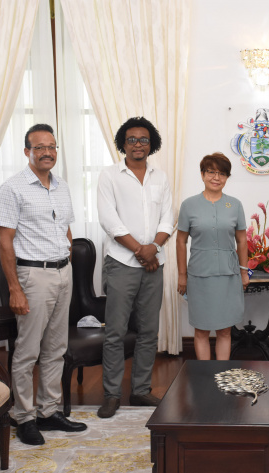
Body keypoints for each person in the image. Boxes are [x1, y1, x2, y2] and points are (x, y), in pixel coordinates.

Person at [0, 123, 87, 445]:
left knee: (56, 349)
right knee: (27, 351)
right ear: (27, 152)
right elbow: (5, 242)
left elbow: (65, 230)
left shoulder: (62, 187)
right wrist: (15, 289)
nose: (47, 152)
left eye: (52, 146)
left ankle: (49, 411)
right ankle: (24, 416)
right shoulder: (12, 188)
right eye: (39, 147)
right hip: (32, 277)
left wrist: (67, 261)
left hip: (63, 274)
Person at [96, 117, 174, 418]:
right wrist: (140, 250)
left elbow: (169, 216)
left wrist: (153, 248)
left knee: (149, 331)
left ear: (151, 143)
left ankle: (141, 390)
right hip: (121, 263)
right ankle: (112, 394)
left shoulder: (161, 177)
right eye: (132, 139)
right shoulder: (109, 176)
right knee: (115, 332)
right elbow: (108, 218)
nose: (138, 144)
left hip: (155, 264)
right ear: (122, 143)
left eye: (143, 139)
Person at [176, 153, 249, 360]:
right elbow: (180, 241)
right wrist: (182, 275)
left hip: (228, 275)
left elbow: (242, 241)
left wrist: (244, 272)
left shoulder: (235, 205)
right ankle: (205, 377)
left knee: (225, 330)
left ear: (227, 177)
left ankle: (221, 375)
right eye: (211, 172)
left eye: (222, 173)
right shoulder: (189, 205)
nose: (216, 177)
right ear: (202, 174)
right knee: (201, 330)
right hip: (199, 275)